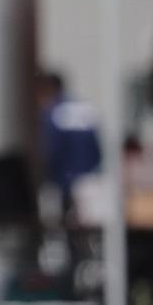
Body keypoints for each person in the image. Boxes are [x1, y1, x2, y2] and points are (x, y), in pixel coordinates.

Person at [37, 71, 101, 213]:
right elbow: (97, 148)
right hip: (88, 179)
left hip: (62, 179)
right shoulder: (84, 109)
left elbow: (51, 149)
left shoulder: (52, 111)